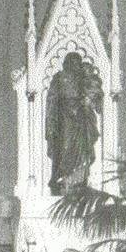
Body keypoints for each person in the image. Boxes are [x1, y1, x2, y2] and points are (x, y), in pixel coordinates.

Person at [46, 52, 104, 194]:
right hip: (64, 119)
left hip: (81, 119)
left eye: (77, 62)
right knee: (64, 149)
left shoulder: (84, 77)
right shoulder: (59, 78)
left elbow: (96, 94)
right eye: (71, 62)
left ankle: (79, 182)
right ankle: (63, 181)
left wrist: (91, 100)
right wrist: (51, 124)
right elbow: (52, 101)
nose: (74, 66)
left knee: (82, 151)